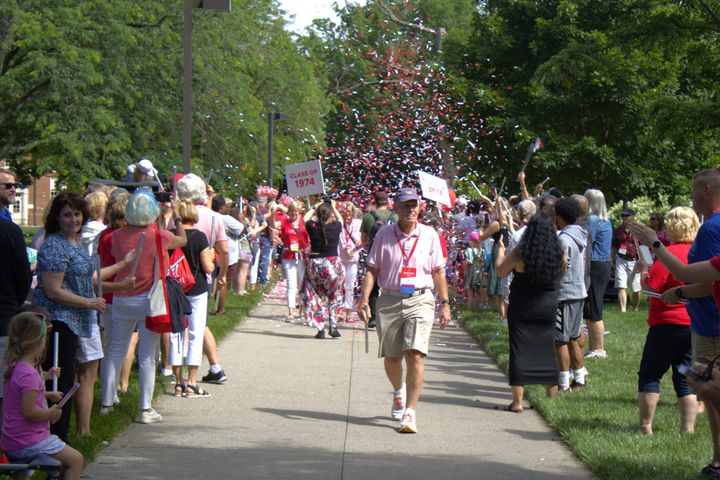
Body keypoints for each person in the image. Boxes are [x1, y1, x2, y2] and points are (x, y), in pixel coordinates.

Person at [629, 167, 720, 479]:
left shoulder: (711, 229)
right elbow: (706, 281)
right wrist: (680, 291)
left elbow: (684, 273)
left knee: (707, 386)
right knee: (699, 384)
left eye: (695, 189)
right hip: (697, 322)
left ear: (707, 190)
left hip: (706, 326)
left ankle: (717, 462)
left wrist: (655, 245)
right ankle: (710, 454)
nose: (692, 196)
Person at [357, 187, 451, 434]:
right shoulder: (384, 234)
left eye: (414, 205)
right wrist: (364, 300)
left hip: (420, 298)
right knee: (392, 357)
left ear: (420, 207)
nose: (410, 210)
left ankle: (410, 412)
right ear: (395, 209)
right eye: (405, 205)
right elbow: (371, 269)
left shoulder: (430, 235)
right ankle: (398, 392)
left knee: (415, 354)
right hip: (389, 299)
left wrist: (445, 304)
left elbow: (439, 270)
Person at [100, 191, 186, 424]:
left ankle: (107, 402)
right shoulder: (160, 236)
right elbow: (183, 240)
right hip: (150, 300)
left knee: (115, 350)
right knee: (148, 355)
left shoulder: (116, 236)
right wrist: (176, 216)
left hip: (122, 298)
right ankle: (145, 408)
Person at [32, 192, 111, 439]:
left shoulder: (75, 242)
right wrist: (88, 302)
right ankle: (55, 439)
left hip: (75, 321)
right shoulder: (55, 245)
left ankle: (60, 438)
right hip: (57, 321)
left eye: (77, 214)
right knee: (58, 381)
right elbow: (53, 290)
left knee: (68, 378)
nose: (74, 219)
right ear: (57, 217)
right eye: (67, 214)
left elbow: (85, 277)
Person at [636, 207, 699, 435]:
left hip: (666, 322)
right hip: (693, 323)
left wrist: (644, 271)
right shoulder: (699, 253)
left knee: (650, 374)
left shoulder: (668, 254)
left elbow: (650, 286)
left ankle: (646, 426)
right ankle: (687, 430)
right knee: (685, 379)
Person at [1, 312, 84, 479]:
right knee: (76, 460)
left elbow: (21, 398)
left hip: (12, 439)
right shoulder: (29, 374)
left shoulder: (16, 367)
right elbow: (29, 412)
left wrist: (46, 394)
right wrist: (51, 414)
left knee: (62, 465)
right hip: (28, 441)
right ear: (38, 341)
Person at [496, 214, 563, 411]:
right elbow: (560, 274)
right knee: (548, 349)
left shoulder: (520, 252)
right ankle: (551, 398)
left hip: (522, 305)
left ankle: (517, 402)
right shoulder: (559, 253)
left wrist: (500, 250)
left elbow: (501, 271)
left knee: (519, 350)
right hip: (547, 305)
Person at [175, 174, 229, 384]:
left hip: (178, 275)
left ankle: (178, 372)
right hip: (201, 274)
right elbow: (223, 250)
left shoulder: (177, 215)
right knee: (198, 324)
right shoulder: (214, 217)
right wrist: (222, 274)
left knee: (182, 326)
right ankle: (208, 370)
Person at [170, 200, 214, 398]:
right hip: (196, 288)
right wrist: (211, 258)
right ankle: (192, 382)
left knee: (176, 333)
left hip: (175, 288)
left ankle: (178, 382)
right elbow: (208, 268)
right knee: (196, 333)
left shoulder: (171, 236)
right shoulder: (199, 237)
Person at [554, 197, 588, 392]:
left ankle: (564, 383)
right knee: (574, 337)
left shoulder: (563, 238)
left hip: (564, 294)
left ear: (559, 217)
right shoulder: (579, 234)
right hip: (578, 292)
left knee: (560, 340)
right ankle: (580, 379)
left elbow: (561, 264)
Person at [0, 217, 31, 424]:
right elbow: (23, 276)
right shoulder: (9, 231)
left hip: (5, 310)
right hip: (4, 311)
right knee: (3, 386)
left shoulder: (9, 231)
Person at [301, 200, 345, 338]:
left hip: (315, 264)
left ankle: (320, 328)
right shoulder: (336, 226)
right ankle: (333, 327)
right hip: (332, 265)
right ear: (330, 214)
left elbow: (305, 218)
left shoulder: (312, 226)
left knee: (315, 296)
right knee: (334, 296)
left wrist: (316, 205)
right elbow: (341, 219)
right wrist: (333, 207)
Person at [360, 191, 396, 328]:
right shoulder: (396, 216)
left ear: (374, 201)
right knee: (392, 285)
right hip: (392, 255)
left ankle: (373, 317)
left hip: (373, 254)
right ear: (387, 202)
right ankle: (392, 315)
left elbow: (363, 240)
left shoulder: (368, 217)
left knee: (373, 286)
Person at [584, 189, 612, 359]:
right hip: (601, 264)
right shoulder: (605, 220)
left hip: (595, 265)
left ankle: (600, 349)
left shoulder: (592, 220)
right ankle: (593, 347)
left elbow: (586, 240)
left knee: (594, 308)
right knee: (590, 307)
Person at [279, 201, 310, 321]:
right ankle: (291, 311)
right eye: (292, 211)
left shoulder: (304, 221)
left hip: (302, 255)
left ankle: (302, 309)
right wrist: (272, 214)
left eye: (296, 211)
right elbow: (274, 226)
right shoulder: (284, 222)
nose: (294, 213)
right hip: (289, 256)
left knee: (302, 284)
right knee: (291, 284)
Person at [215, 195, 243, 316]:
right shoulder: (225, 218)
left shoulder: (210, 216)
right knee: (224, 280)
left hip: (215, 252)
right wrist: (240, 218)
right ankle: (220, 308)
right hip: (227, 254)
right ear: (221, 206)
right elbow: (241, 229)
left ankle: (216, 305)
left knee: (219, 280)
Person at [613, 208, 641, 312]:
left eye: (627, 216)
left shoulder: (639, 230)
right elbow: (614, 245)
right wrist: (612, 259)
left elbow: (644, 247)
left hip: (635, 260)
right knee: (621, 285)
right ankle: (623, 310)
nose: (624, 218)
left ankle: (635, 308)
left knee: (635, 287)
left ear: (633, 217)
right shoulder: (618, 230)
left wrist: (642, 261)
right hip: (621, 259)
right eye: (623, 216)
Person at [338, 202, 362, 322]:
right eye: (344, 211)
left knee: (350, 286)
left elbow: (363, 240)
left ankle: (348, 310)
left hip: (352, 258)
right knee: (340, 285)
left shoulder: (358, 223)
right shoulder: (339, 224)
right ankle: (338, 310)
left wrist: (359, 242)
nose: (346, 214)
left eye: (349, 211)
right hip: (340, 258)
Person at [464, 231, 485, 311]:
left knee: (470, 294)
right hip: (479, 273)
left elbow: (466, 263)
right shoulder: (482, 250)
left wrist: (465, 270)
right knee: (478, 293)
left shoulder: (469, 250)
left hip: (471, 274)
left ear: (471, 241)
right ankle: (478, 310)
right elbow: (484, 263)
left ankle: (470, 311)